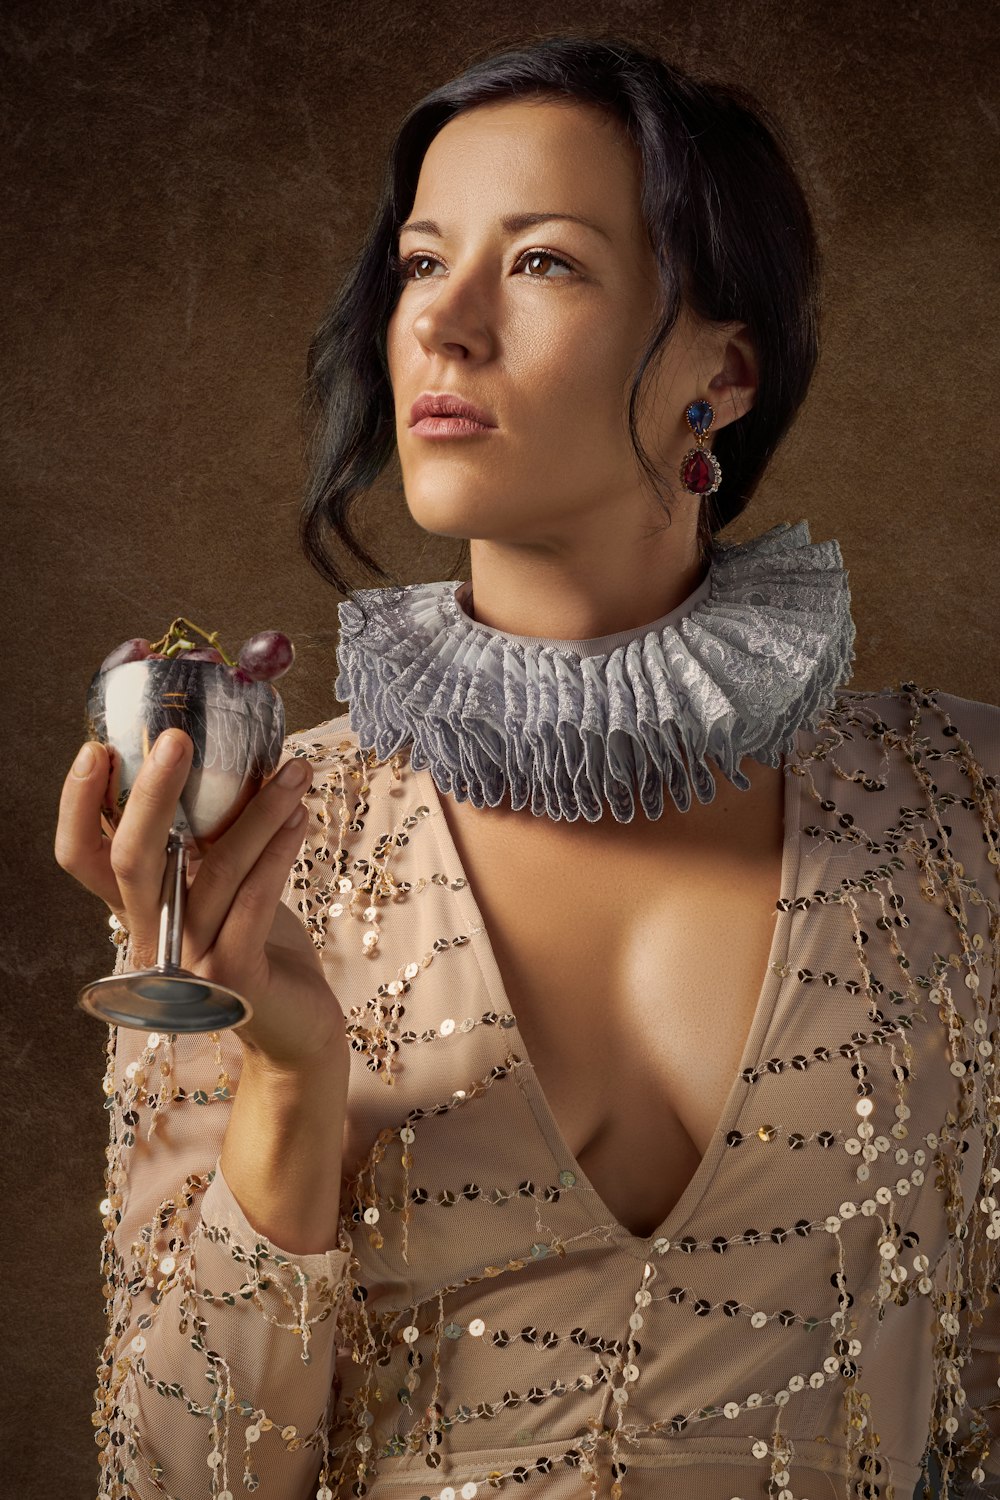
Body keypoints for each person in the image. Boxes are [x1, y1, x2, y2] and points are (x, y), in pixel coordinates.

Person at [55, 33, 1000, 1500]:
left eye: (544, 262)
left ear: (724, 372)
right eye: (423, 264)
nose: (446, 325)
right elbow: (175, 1476)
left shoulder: (962, 812)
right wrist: (291, 1080)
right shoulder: (266, 841)